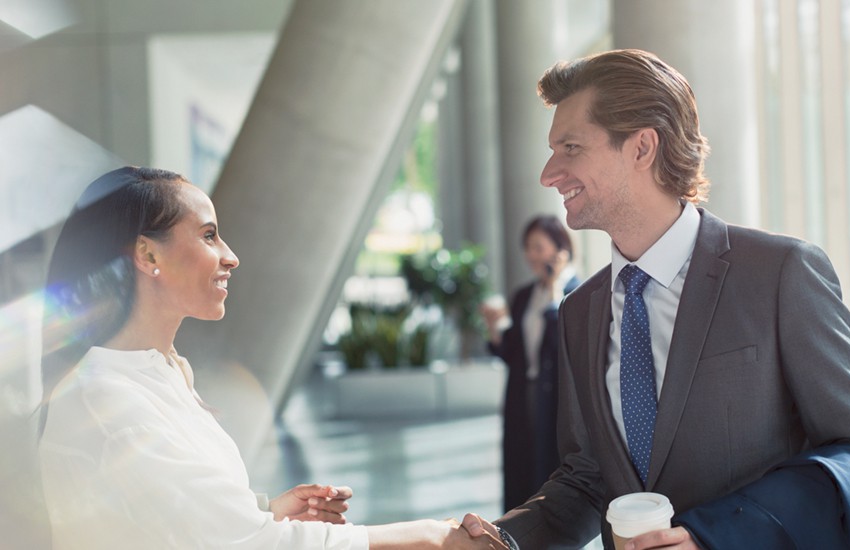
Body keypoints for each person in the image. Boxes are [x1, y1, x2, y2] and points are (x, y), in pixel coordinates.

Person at [462, 49, 850, 549]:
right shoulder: (579, 312)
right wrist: (501, 540)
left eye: (570, 147)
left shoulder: (779, 275)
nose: (549, 173)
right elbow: (589, 480)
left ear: (641, 147)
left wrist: (715, 536)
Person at [38, 166, 504, 550]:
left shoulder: (159, 373)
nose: (231, 256)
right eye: (209, 235)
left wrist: (267, 511)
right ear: (146, 253)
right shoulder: (108, 399)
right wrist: (428, 537)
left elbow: (174, 522)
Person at [480, 215, 580, 512]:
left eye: (538, 247)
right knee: (521, 462)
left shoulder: (577, 291)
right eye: (528, 247)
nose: (531, 255)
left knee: (550, 465)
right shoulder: (524, 295)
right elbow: (513, 352)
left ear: (560, 248)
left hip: (558, 398)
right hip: (523, 393)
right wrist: (494, 327)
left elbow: (562, 343)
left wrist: (553, 291)